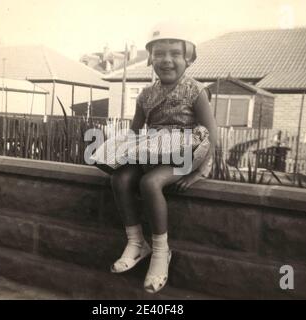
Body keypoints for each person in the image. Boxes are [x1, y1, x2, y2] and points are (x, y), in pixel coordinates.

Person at [90, 22, 217, 294]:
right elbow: (135, 133)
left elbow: (209, 134)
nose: (167, 60)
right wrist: (117, 154)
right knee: (121, 179)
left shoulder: (196, 91)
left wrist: (198, 172)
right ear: (150, 58)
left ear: (189, 58)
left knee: (150, 183)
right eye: (159, 53)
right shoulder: (146, 95)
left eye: (175, 53)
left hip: (188, 152)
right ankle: (136, 242)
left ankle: (161, 252)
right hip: (155, 149)